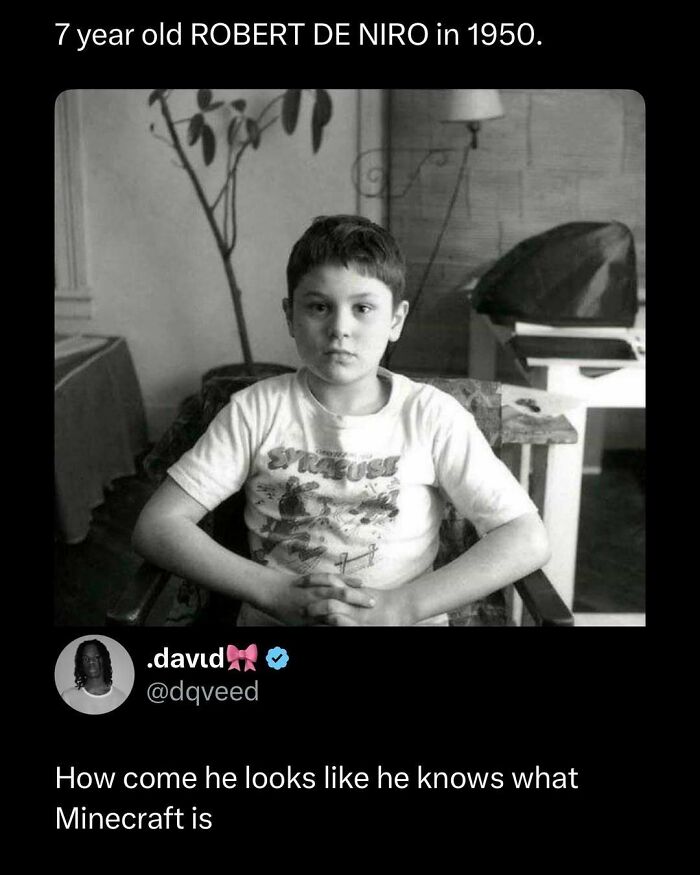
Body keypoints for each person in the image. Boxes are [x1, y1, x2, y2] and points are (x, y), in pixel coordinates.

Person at [133, 215, 550, 626]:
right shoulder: (254, 411)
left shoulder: (433, 416)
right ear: (290, 316)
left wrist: (399, 608)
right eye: (318, 307)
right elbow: (158, 525)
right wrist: (271, 592)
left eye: (363, 307)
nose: (340, 329)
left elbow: (526, 536)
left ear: (396, 320)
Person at [61, 640, 127, 714]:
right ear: (81, 663)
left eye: (96, 657)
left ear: (104, 660)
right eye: (86, 658)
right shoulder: (68, 697)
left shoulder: (121, 698)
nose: (91, 661)